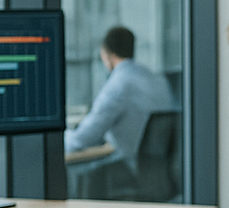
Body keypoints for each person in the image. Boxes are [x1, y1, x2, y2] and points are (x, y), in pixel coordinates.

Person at [63, 25, 175, 170]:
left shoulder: (119, 84)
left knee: (77, 174)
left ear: (107, 54)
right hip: (163, 166)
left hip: (135, 168)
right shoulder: (155, 78)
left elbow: (85, 136)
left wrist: (58, 140)